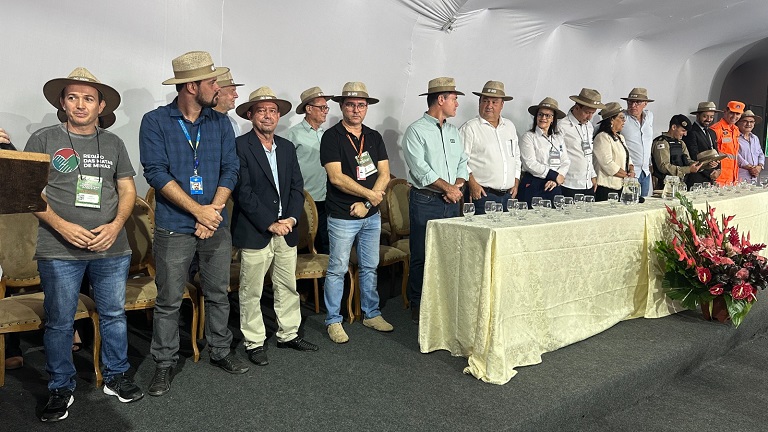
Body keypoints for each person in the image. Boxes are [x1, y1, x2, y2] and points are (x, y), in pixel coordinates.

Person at [25, 67, 142, 422]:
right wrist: (63, 227)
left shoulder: (114, 143)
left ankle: (116, 376)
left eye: (88, 98)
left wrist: (115, 225)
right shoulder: (43, 139)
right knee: (60, 322)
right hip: (59, 248)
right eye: (73, 97)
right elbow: (29, 193)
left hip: (111, 246)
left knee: (113, 315)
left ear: (100, 106)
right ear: (62, 102)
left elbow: (127, 189)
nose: (80, 104)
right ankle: (61, 386)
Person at [139, 51, 248, 398]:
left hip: (214, 223)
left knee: (218, 293)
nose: (218, 87)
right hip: (174, 226)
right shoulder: (155, 122)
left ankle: (220, 350)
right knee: (169, 299)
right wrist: (198, 212)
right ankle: (164, 362)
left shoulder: (220, 123)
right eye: (212, 82)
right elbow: (156, 173)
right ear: (191, 86)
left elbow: (231, 169)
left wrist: (211, 211)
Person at [231, 87, 318, 366]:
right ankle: (254, 341)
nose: (267, 116)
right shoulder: (239, 146)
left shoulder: (287, 147)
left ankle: (288, 334)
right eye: (261, 111)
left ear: (279, 116)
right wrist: (269, 223)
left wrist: (291, 219)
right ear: (250, 115)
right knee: (251, 291)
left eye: (272, 111)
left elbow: (296, 187)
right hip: (255, 230)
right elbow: (242, 192)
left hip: (286, 229)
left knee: (287, 286)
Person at [320, 82, 393, 343]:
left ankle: (371, 313)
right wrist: (370, 195)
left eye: (361, 105)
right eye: (350, 105)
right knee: (337, 268)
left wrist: (369, 203)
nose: (356, 110)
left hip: (370, 214)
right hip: (342, 215)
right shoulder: (331, 137)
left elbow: (384, 173)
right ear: (342, 107)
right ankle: (333, 320)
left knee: (370, 266)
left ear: (366, 108)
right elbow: (336, 177)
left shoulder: (373, 136)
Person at [403, 77, 467, 323]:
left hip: (451, 201)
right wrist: (449, 188)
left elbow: (462, 161)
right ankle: (418, 305)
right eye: (454, 99)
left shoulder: (453, 131)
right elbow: (420, 169)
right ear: (441, 100)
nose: (457, 104)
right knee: (422, 254)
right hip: (426, 200)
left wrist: (456, 187)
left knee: (449, 254)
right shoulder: (416, 130)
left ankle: (443, 303)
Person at [458, 80, 520, 214]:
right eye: (485, 101)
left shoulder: (509, 127)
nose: (489, 106)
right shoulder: (470, 128)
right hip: (482, 195)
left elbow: (516, 157)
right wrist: (472, 184)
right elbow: (460, 160)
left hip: (509, 196)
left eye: (494, 102)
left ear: (502, 105)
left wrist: (516, 181)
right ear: (479, 102)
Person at [285, 86, 334, 254]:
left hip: (326, 197)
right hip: (304, 198)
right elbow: (286, 167)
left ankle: (324, 271)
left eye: (326, 107)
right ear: (309, 109)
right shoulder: (293, 134)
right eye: (322, 107)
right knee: (303, 243)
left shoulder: (326, 134)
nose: (325, 111)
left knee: (325, 242)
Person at [518, 97, 571, 207]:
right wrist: (553, 175)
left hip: (553, 185)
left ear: (553, 119)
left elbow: (565, 161)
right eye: (540, 114)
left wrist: (556, 179)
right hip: (534, 185)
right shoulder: (529, 137)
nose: (543, 118)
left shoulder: (558, 138)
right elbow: (529, 163)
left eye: (547, 115)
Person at [560, 88, 605, 197]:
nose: (589, 117)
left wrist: (593, 175)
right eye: (587, 112)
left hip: (588, 184)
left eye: (593, 113)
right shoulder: (562, 126)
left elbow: (588, 153)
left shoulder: (589, 126)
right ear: (577, 107)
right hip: (569, 184)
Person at [592, 102, 635, 201]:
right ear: (612, 120)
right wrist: (627, 175)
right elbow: (607, 164)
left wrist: (631, 171)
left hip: (621, 187)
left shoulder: (620, 137)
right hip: (606, 188)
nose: (624, 121)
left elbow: (628, 159)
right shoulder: (602, 137)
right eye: (621, 118)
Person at [651, 114, 705, 188]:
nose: (685, 134)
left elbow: (687, 160)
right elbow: (664, 167)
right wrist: (688, 169)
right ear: (673, 127)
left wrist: (701, 165)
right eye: (683, 131)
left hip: (680, 184)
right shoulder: (661, 142)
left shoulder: (681, 143)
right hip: (665, 186)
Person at [621, 88, 654, 196]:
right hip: (629, 172)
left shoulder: (649, 116)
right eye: (630, 102)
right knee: (629, 202)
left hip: (645, 171)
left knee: (644, 203)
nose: (633, 105)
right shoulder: (621, 117)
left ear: (645, 104)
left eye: (637, 102)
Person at [683, 101, 722, 185]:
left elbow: (716, 153)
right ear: (698, 115)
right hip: (696, 177)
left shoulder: (712, 132)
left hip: (711, 178)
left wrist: (718, 170)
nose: (709, 119)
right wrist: (709, 172)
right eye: (705, 116)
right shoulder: (691, 132)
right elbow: (693, 156)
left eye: (711, 117)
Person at [710, 100, 744, 185]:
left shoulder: (736, 130)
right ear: (725, 111)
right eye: (732, 113)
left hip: (732, 178)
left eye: (738, 114)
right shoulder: (715, 129)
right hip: (719, 178)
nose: (734, 116)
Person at [736, 109, 765, 182]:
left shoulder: (755, 138)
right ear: (738, 123)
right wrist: (751, 168)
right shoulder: (734, 137)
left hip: (754, 177)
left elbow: (761, 154)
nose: (748, 124)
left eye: (751, 121)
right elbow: (735, 155)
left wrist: (760, 166)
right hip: (739, 177)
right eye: (745, 121)